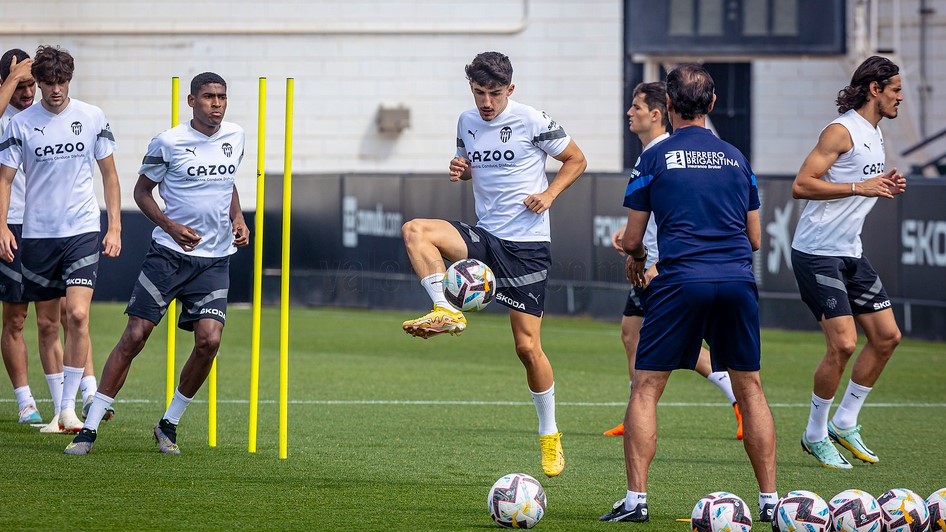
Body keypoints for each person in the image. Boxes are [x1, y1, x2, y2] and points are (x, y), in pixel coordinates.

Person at [600, 64, 777, 523]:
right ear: (713, 104)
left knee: (646, 387)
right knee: (752, 389)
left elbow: (634, 236)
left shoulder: (654, 158)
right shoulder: (738, 159)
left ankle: (636, 501)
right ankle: (771, 502)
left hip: (680, 280)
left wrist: (636, 259)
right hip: (737, 280)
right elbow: (755, 238)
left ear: (670, 107)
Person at [400, 52, 586, 478]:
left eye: (495, 94)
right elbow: (473, 167)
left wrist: (550, 195)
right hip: (485, 238)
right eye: (480, 92)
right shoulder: (466, 121)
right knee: (416, 230)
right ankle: (444, 308)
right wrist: (462, 169)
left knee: (527, 347)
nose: (487, 102)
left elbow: (577, 160)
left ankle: (549, 434)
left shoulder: (533, 120)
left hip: (527, 246)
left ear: (511, 90)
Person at [65, 72, 249, 455]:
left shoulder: (236, 137)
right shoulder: (168, 142)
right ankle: (91, 426)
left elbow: (228, 184)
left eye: (222, 97)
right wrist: (169, 224)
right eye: (208, 97)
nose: (216, 103)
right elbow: (141, 191)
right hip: (167, 256)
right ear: (192, 101)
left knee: (209, 341)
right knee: (135, 336)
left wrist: (237, 218)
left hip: (214, 260)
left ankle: (169, 424)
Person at [602, 81, 743, 440]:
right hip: (650, 260)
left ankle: (737, 397)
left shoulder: (665, 151)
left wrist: (657, 262)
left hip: (667, 266)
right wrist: (629, 231)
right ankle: (635, 411)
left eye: (636, 107)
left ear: (656, 112)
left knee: (682, 345)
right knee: (630, 332)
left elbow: (688, 216)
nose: (629, 113)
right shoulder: (653, 150)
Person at [0, 45, 121, 433]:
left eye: (61, 82)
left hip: (82, 229)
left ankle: (72, 406)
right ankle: (57, 410)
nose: (54, 90)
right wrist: (1, 226)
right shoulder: (19, 124)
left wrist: (115, 226)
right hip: (36, 233)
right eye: (48, 82)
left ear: (70, 80)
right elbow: (3, 179)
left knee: (79, 314)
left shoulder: (91, 116)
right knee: (47, 324)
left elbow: (110, 175)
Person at [792, 56, 906, 469]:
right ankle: (815, 433)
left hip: (849, 251)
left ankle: (845, 420)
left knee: (887, 337)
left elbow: (863, 183)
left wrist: (882, 184)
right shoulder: (842, 130)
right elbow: (801, 184)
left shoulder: (875, 134)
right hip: (817, 251)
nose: (899, 97)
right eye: (894, 89)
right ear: (875, 89)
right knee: (842, 343)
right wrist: (861, 186)